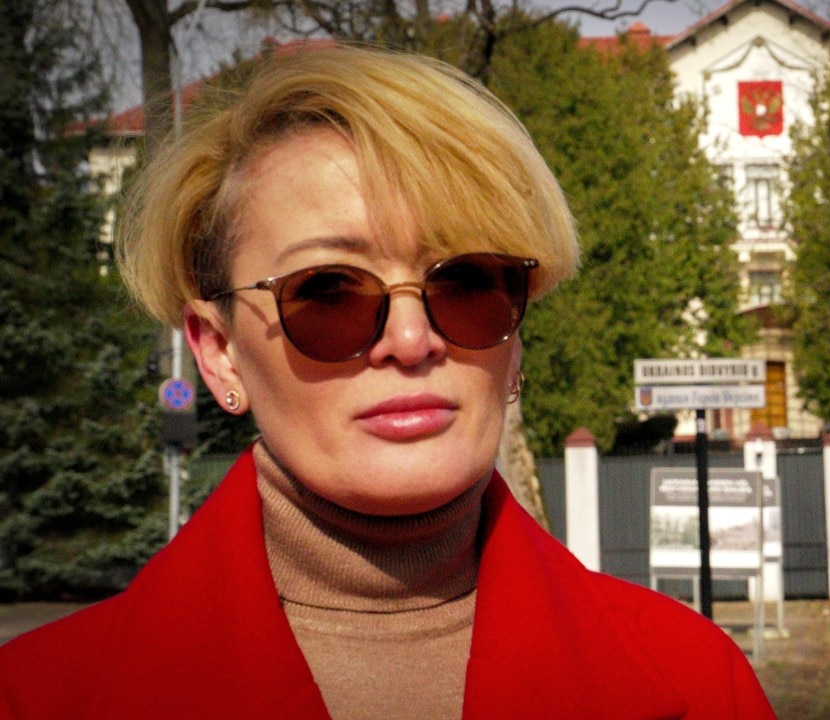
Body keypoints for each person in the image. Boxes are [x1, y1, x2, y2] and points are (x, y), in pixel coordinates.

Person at [0, 45, 775, 719]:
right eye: (329, 292)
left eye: (468, 281)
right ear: (219, 352)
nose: (412, 340)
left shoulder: (700, 684)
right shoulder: (37, 700)